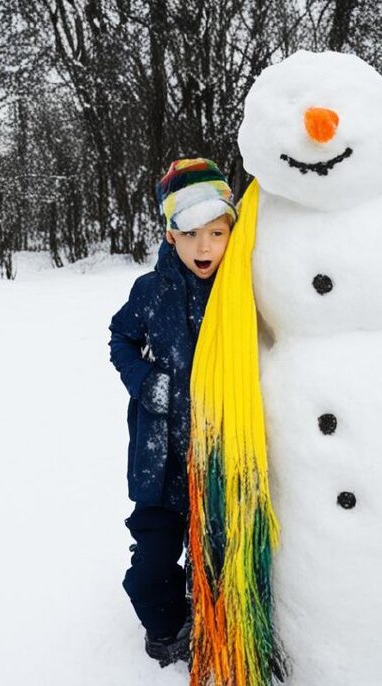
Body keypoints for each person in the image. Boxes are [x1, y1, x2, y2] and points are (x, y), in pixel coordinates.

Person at [108, 158, 237, 667]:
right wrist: (145, 384)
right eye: (190, 235)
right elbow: (120, 338)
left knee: (217, 564)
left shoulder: (239, 293)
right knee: (149, 573)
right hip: (159, 464)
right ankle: (167, 629)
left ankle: (208, 618)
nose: (204, 248)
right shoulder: (149, 292)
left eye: (216, 232)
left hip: (219, 462)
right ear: (169, 235)